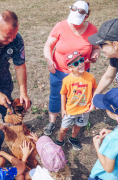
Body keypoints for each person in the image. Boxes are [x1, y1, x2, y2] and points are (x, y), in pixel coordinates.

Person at [43, 0, 100, 135]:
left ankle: (77, 120)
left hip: (81, 72)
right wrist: (49, 59)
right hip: (59, 71)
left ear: (86, 17)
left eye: (78, 20)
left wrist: (95, 56)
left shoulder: (92, 29)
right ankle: (52, 121)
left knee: (78, 96)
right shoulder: (60, 26)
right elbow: (48, 46)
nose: (74, 23)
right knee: (56, 95)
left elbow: (96, 48)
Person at [55, 51, 97, 150]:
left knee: (78, 126)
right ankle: (60, 141)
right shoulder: (67, 80)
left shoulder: (90, 77)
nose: (81, 64)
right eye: (76, 63)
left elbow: (95, 88)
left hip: (84, 110)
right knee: (64, 128)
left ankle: (72, 138)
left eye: (81, 60)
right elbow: (63, 93)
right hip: (70, 110)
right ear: (70, 68)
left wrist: (93, 103)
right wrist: (63, 108)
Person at [88, 87, 118, 180]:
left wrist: (97, 146)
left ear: (117, 116)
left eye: (107, 108)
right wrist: (112, 132)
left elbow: (108, 168)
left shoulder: (112, 139)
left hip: (103, 177)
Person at [88, 18, 118, 105]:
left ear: (115, 45)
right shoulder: (116, 56)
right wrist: (95, 96)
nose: (100, 48)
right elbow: (108, 76)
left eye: (101, 44)